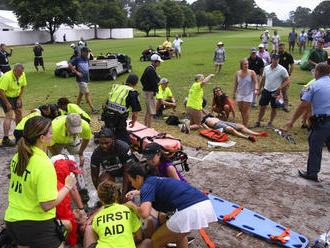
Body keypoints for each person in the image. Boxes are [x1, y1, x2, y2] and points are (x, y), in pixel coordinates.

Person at [4, 116, 77, 248]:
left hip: (12, 221)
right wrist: (68, 186)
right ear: (42, 138)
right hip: (35, 223)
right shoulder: (44, 164)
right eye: (50, 133)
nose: (52, 135)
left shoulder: (18, 157)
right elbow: (47, 205)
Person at [125, 162, 217, 248]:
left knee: (155, 241)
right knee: (178, 234)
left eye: (131, 181)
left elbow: (145, 213)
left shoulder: (146, 186)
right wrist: (137, 192)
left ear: (138, 177)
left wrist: (132, 205)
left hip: (188, 210)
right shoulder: (154, 180)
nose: (132, 185)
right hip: (203, 203)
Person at [286, 63, 330, 182]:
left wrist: (292, 120)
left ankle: (312, 172)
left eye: (315, 71)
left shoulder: (314, 85)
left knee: (315, 143)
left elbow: (304, 105)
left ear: (318, 72)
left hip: (323, 122)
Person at [84, 181, 151, 248]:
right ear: (116, 195)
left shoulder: (97, 218)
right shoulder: (127, 210)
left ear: (100, 199)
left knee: (90, 230)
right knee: (147, 242)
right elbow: (139, 237)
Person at [90, 128, 134, 202]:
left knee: (127, 197)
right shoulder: (97, 153)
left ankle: (126, 196)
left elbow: (127, 173)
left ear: (113, 140)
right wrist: (101, 194)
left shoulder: (123, 148)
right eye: (101, 143)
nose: (104, 146)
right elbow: (94, 176)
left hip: (127, 174)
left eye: (107, 143)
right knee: (103, 183)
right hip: (112, 174)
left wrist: (124, 195)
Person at [51, 155, 86, 248]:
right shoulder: (62, 192)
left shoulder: (51, 180)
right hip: (44, 225)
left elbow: (73, 189)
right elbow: (68, 219)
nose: (73, 175)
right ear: (66, 172)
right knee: (68, 225)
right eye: (71, 172)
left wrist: (81, 209)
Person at [251, 53, 290, 129]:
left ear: (279, 60)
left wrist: (280, 87)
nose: (275, 61)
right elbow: (263, 79)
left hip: (275, 92)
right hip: (266, 90)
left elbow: (287, 80)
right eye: (274, 59)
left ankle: (270, 123)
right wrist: (259, 89)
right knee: (262, 106)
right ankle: (258, 122)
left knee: (274, 108)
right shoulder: (266, 68)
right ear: (271, 59)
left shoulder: (282, 69)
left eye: (277, 59)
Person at [104, 73, 141, 144]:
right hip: (119, 120)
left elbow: (107, 103)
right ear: (136, 83)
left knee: (108, 134)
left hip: (107, 116)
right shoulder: (132, 92)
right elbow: (135, 113)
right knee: (125, 140)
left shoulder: (116, 87)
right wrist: (133, 122)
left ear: (126, 81)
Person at [0, 63, 26, 146]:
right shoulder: (6, 77)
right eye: (19, 73)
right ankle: (5, 139)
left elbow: (22, 86)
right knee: (9, 116)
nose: (20, 74)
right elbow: (1, 91)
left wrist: (19, 99)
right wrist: (7, 103)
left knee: (19, 114)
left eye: (21, 72)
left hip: (16, 96)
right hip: (6, 96)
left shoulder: (22, 74)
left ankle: (19, 134)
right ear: (14, 71)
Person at [69, 46, 98, 114]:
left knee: (81, 93)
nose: (88, 53)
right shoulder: (78, 58)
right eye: (86, 52)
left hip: (86, 79)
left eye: (88, 52)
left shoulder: (86, 58)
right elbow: (70, 65)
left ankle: (77, 105)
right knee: (87, 93)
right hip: (80, 79)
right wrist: (77, 72)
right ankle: (93, 108)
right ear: (82, 52)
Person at [201, 114, 268, 142]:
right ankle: (248, 137)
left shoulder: (209, 114)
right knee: (230, 129)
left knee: (241, 126)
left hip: (222, 121)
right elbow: (208, 129)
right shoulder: (202, 120)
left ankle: (257, 134)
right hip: (217, 125)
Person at [233, 58, 259, 127]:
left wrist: (256, 89)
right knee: (241, 109)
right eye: (245, 64)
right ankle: (243, 121)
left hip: (248, 94)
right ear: (241, 65)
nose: (246, 65)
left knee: (245, 109)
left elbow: (256, 82)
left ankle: (245, 124)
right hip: (240, 94)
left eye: (247, 64)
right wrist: (234, 93)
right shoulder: (237, 73)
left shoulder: (252, 72)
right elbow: (235, 84)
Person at [141, 54, 162, 128]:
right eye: (158, 61)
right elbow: (154, 82)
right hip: (150, 93)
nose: (159, 63)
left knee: (148, 110)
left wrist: (146, 86)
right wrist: (158, 79)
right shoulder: (151, 70)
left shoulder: (149, 68)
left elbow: (142, 79)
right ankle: (148, 128)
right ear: (154, 62)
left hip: (147, 91)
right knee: (151, 112)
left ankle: (145, 126)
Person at [278, 43, 295, 112]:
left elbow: (292, 65)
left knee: (284, 91)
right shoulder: (277, 55)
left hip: (285, 76)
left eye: (282, 48)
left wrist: (289, 73)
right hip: (277, 76)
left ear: (284, 48)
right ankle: (278, 103)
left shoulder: (288, 55)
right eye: (279, 48)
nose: (281, 49)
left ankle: (285, 105)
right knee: (277, 90)